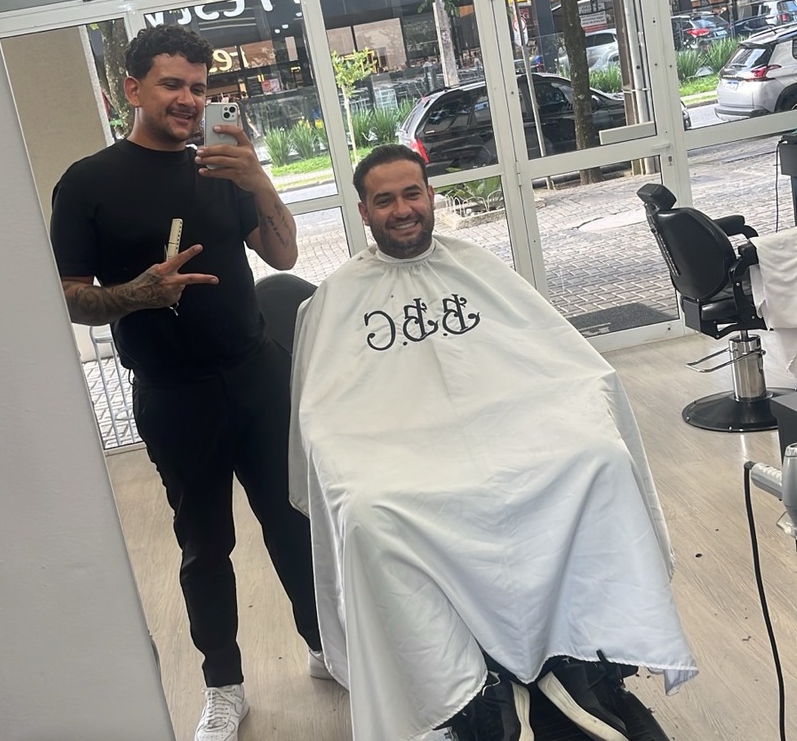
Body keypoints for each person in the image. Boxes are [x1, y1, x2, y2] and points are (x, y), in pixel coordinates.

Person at [289, 145, 698, 741]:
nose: (402, 210)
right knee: (369, 516)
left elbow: (562, 363)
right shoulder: (336, 299)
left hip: (506, 434)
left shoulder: (478, 268)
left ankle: (591, 658)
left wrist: (576, 411)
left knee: (600, 461)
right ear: (364, 211)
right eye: (385, 200)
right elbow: (322, 418)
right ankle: (456, 691)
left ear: (430, 196)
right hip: (395, 453)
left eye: (412, 194)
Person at [49, 24, 325, 741]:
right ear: (131, 89)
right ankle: (223, 687)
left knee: (293, 523)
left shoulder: (219, 168)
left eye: (199, 88)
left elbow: (283, 253)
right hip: (174, 394)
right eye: (172, 84)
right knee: (204, 547)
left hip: (258, 375)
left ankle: (325, 647)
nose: (189, 100)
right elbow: (68, 295)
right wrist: (134, 294)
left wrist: (258, 179)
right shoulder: (87, 183)